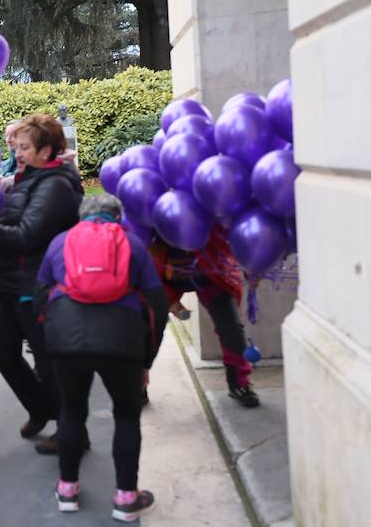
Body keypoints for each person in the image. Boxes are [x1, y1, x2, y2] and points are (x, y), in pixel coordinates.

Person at [37, 194, 168, 521]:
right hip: (122, 341)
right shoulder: (133, 244)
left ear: (81, 218)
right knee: (126, 415)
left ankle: (67, 490)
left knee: (72, 409)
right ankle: (126, 498)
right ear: (117, 218)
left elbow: (39, 295)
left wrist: (51, 336)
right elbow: (157, 304)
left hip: (66, 340)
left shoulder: (59, 243)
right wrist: (146, 360)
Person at [0, 113, 84, 455]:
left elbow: (26, 236)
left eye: (25, 147)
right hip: (12, 284)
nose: (17, 153)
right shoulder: (27, 177)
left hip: (36, 287)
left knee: (48, 363)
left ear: (46, 151)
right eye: (16, 146)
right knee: (2, 353)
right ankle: (40, 408)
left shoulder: (55, 185)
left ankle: (71, 431)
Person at [150, 227, 260, 407]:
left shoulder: (213, 215)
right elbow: (148, 268)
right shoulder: (156, 225)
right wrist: (169, 301)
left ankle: (239, 384)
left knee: (231, 327)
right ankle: (138, 384)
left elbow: (239, 235)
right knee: (150, 328)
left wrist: (253, 267)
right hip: (168, 274)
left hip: (211, 274)